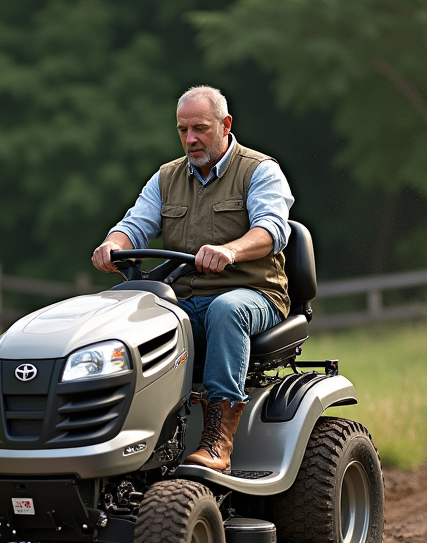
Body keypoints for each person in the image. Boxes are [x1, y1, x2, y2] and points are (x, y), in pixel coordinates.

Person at [91, 85, 294, 472]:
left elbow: (272, 229)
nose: (190, 139)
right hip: (182, 299)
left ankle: (219, 438)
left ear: (225, 125)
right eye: (183, 130)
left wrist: (231, 251)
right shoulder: (167, 178)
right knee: (125, 316)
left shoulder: (259, 170)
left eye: (199, 128)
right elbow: (135, 225)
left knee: (226, 309)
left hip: (252, 293)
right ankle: (129, 436)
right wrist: (111, 245)